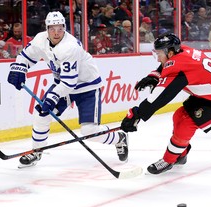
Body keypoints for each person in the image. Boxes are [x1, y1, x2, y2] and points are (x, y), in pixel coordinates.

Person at [7, 11, 128, 168]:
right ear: (47, 29)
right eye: (52, 29)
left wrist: (51, 98)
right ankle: (36, 151)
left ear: (64, 27)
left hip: (87, 87)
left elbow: (69, 82)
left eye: (59, 28)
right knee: (42, 115)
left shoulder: (69, 47)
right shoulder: (40, 40)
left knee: (89, 132)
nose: (56, 32)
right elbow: (25, 56)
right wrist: (18, 68)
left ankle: (119, 138)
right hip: (62, 84)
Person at [120, 33, 211, 175]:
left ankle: (169, 160)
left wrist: (137, 114)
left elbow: (161, 97)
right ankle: (181, 153)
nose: (158, 57)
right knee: (179, 116)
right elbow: (167, 66)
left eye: (160, 53)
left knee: (186, 123)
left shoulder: (178, 67)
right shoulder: (183, 50)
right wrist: (153, 76)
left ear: (170, 52)